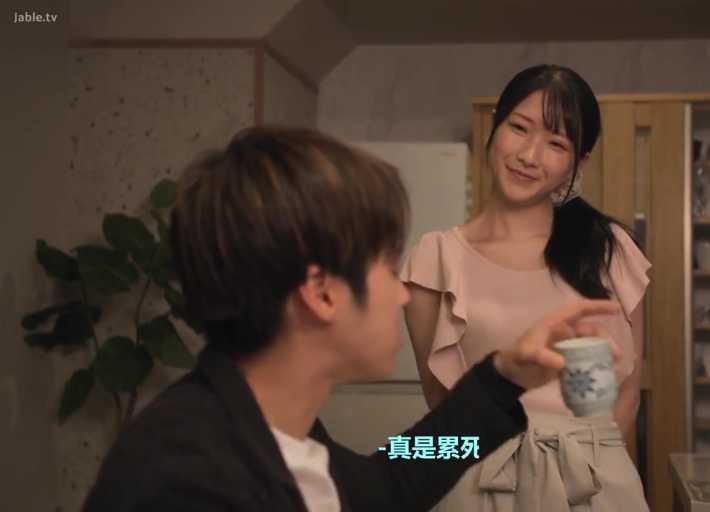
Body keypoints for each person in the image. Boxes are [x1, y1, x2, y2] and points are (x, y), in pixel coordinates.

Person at [80, 126, 624, 512]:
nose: (403, 295)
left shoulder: (285, 433)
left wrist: (503, 376)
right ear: (321, 293)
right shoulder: (185, 477)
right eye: (387, 268)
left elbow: (390, 475)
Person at [401, 64, 652, 511]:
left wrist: (589, 471)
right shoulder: (436, 259)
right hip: (480, 488)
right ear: (495, 124)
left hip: (594, 486)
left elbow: (627, 393)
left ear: (579, 162)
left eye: (556, 144)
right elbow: (444, 413)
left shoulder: (610, 250)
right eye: (519, 128)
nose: (530, 156)